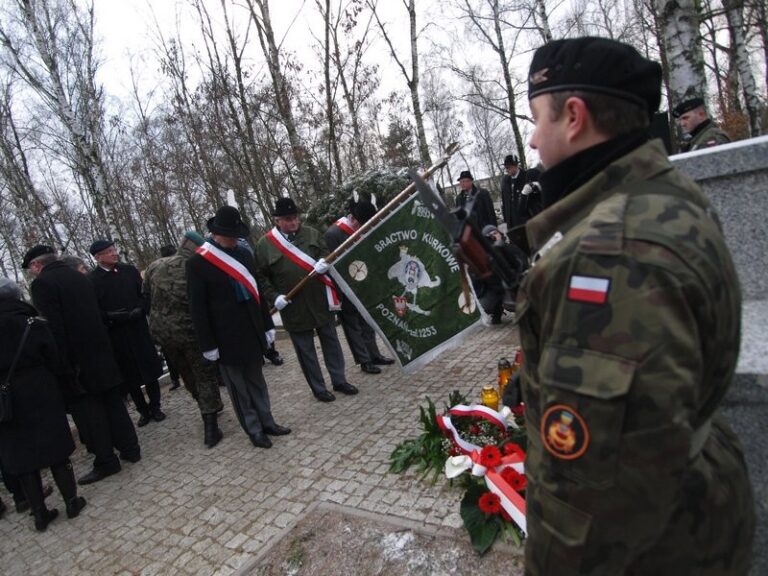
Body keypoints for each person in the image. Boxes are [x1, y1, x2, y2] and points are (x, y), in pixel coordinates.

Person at [517, 37, 754, 575]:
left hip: (656, 551)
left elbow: (587, 506)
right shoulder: (668, 196)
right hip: (698, 504)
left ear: (573, 117)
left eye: (536, 119)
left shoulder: (608, 258)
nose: (532, 139)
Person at [22, 245, 141, 486]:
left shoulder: (42, 285)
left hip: (77, 361)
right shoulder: (79, 276)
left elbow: (55, 328)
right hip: (102, 352)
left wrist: (62, 365)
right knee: (113, 403)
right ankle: (131, 448)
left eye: (30, 269)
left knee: (90, 413)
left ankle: (106, 461)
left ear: (36, 265)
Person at [187, 206, 290, 449]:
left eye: (237, 235)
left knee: (257, 382)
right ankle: (254, 430)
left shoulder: (244, 254)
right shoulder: (198, 263)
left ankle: (267, 422)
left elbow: (256, 292)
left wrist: (267, 325)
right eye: (230, 236)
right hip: (225, 337)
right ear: (217, 234)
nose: (235, 240)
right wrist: (208, 344)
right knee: (239, 389)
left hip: (251, 329)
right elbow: (198, 308)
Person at [0, 277, 87, 531]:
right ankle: (71, 501)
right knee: (55, 448)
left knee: (23, 456)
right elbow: (54, 358)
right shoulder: (32, 322)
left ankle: (39, 513)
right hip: (40, 389)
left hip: (6, 398)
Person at [255, 198, 358, 402]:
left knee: (331, 342)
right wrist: (274, 297)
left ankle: (339, 380)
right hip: (293, 305)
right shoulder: (265, 245)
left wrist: (324, 262)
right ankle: (318, 388)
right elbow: (260, 276)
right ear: (277, 220)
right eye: (288, 219)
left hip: (319, 299)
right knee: (306, 351)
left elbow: (326, 254)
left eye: (295, 217)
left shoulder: (312, 234)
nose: (294, 222)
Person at [143, 233, 225, 448]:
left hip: (164, 334)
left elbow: (146, 297)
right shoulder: (197, 267)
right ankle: (210, 426)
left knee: (186, 373)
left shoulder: (154, 266)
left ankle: (206, 405)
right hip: (191, 333)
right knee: (205, 375)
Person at [89, 240, 165, 427]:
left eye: (114, 250)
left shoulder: (129, 271)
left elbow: (144, 294)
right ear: (98, 257)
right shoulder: (92, 280)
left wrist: (141, 308)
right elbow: (94, 310)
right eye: (109, 251)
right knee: (129, 376)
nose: (114, 253)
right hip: (117, 335)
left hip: (138, 330)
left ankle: (155, 406)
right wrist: (111, 316)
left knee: (149, 370)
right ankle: (143, 410)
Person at [324, 200, 394, 373]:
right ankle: (364, 360)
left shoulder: (361, 228)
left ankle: (374, 354)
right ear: (353, 219)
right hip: (345, 286)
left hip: (363, 283)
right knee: (353, 325)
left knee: (367, 322)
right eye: (362, 224)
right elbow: (335, 264)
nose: (364, 228)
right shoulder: (334, 234)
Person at [474, 224, 526, 324]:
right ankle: (496, 312)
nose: (494, 236)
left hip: (515, 283)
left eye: (495, 233)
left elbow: (522, 264)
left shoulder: (511, 248)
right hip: (497, 289)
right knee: (487, 303)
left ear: (500, 234)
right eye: (490, 236)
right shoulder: (485, 258)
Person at [156, 245, 182, 390]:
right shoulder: (180, 266)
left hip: (165, 319)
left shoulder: (156, 271)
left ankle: (175, 379)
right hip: (178, 317)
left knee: (171, 353)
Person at [500, 155, 528, 228]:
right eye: (505, 168)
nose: (506, 170)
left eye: (508, 167)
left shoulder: (526, 177)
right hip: (511, 222)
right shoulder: (505, 181)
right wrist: (506, 220)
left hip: (524, 220)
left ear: (516, 166)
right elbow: (504, 201)